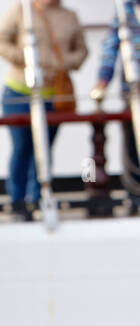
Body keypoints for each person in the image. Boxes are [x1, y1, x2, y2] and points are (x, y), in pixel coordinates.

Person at [0, 0, 87, 220]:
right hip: (19, 92)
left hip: (54, 95)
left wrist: (61, 63)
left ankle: (38, 198)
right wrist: (27, 59)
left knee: (44, 149)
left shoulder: (69, 16)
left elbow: (82, 51)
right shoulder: (19, 11)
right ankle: (17, 201)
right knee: (22, 147)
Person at [91, 0, 140, 212]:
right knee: (132, 141)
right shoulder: (124, 9)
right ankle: (135, 195)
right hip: (133, 90)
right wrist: (103, 80)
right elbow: (111, 45)